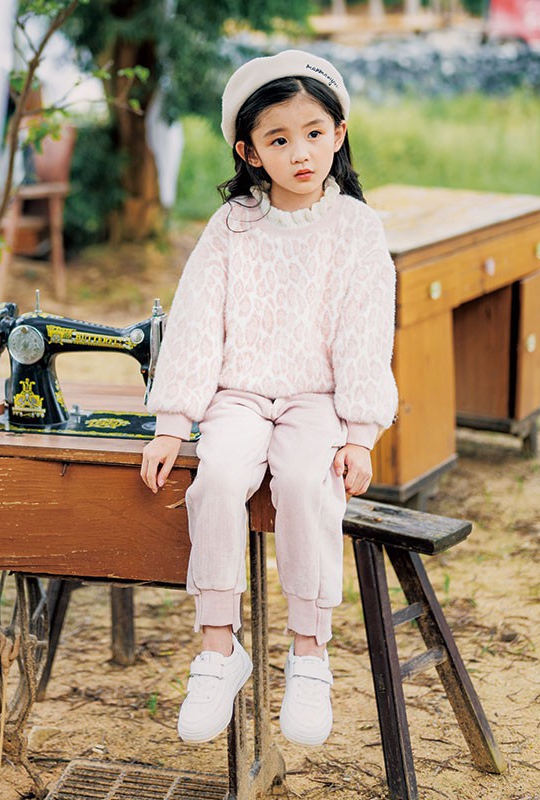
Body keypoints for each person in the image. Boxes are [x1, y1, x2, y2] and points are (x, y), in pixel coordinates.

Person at [140, 49, 398, 748]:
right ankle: (218, 648)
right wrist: (172, 423)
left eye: (313, 133)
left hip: (318, 400)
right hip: (239, 395)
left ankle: (309, 654)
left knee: (309, 485)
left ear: (338, 133)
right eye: (278, 140)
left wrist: (360, 433)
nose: (300, 153)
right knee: (219, 478)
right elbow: (197, 321)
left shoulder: (356, 228)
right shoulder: (232, 226)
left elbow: (366, 332)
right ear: (249, 152)